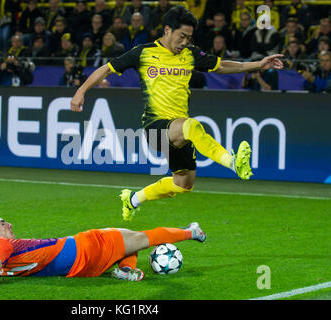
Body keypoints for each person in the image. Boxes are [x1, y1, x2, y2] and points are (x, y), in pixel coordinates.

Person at [70, 6, 284, 221]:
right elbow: (106, 68)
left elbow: (222, 66)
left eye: (189, 38)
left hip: (178, 131)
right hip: (155, 127)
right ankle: (233, 162)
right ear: (167, 30)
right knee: (191, 125)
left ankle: (133, 199)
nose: (185, 42)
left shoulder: (190, 54)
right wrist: (81, 91)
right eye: (182, 36)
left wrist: (258, 64)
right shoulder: (143, 52)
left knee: (182, 185)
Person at [0, 210, 206, 290]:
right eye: (1, 222)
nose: (8, 223)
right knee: (141, 237)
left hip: (81, 270)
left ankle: (125, 270)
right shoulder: (2, 245)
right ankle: (193, 232)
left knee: (124, 243)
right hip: (86, 248)